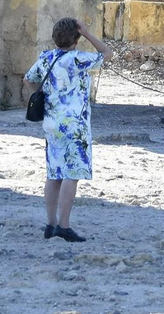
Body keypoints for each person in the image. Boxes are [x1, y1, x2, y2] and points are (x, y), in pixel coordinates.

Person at [22, 18, 112, 242]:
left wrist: (45, 94)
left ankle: (51, 223)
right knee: (71, 174)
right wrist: (88, 33)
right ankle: (64, 226)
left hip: (51, 122)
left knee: (54, 174)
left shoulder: (46, 57)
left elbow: (28, 80)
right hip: (74, 125)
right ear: (76, 39)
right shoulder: (77, 59)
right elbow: (107, 53)